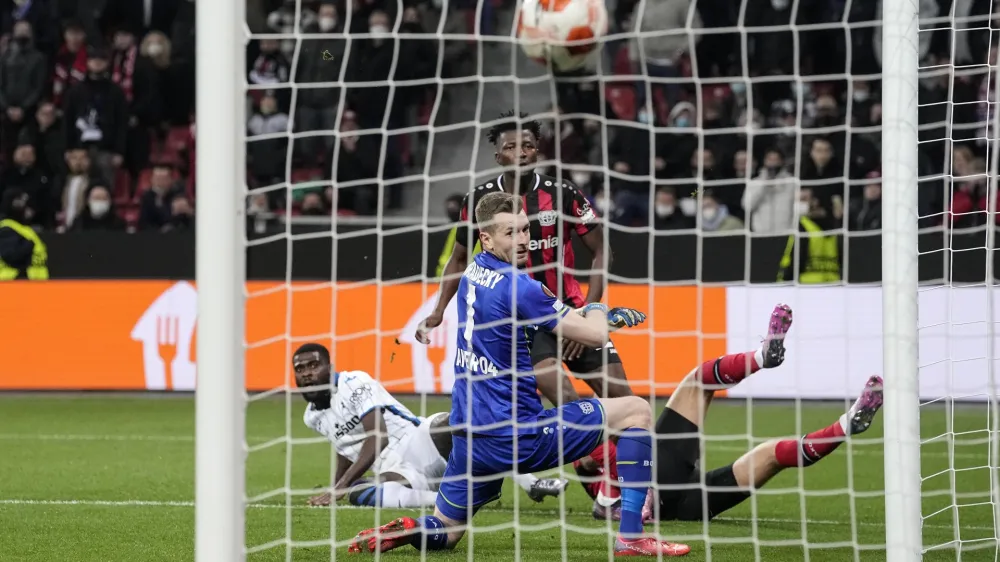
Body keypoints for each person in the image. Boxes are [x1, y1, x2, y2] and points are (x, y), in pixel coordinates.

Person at [349, 192, 689, 556]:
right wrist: (600, 310)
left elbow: (513, 328)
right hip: (517, 436)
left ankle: (412, 530)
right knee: (636, 410)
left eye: (526, 229)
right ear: (486, 238)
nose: (524, 240)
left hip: (469, 439)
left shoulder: (472, 275)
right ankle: (632, 535)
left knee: (446, 532)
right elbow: (594, 335)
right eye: (511, 233)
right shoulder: (521, 286)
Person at [415, 110, 631, 514]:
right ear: (498, 155)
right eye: (510, 146)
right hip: (524, 328)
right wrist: (438, 311)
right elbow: (460, 259)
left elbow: (602, 250)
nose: (520, 152)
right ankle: (600, 485)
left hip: (570, 314)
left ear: (538, 150)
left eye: (528, 145)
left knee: (623, 398)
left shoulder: (563, 194)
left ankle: (618, 484)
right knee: (565, 400)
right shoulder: (479, 201)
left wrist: (587, 309)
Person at [600, 304, 885, 524]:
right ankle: (764, 357)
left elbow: (594, 474)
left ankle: (848, 424)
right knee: (698, 382)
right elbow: (596, 458)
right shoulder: (588, 440)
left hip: (686, 507)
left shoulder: (581, 453)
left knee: (772, 456)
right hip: (652, 478)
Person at [292, 342, 569, 509]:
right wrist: (338, 487)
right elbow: (344, 447)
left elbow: (378, 436)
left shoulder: (354, 383)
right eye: (300, 369)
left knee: (457, 423)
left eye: (313, 366)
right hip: (398, 473)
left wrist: (339, 486)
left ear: (330, 366)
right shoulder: (311, 417)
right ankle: (442, 502)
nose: (306, 374)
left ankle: (532, 483)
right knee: (357, 492)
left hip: (421, 444)